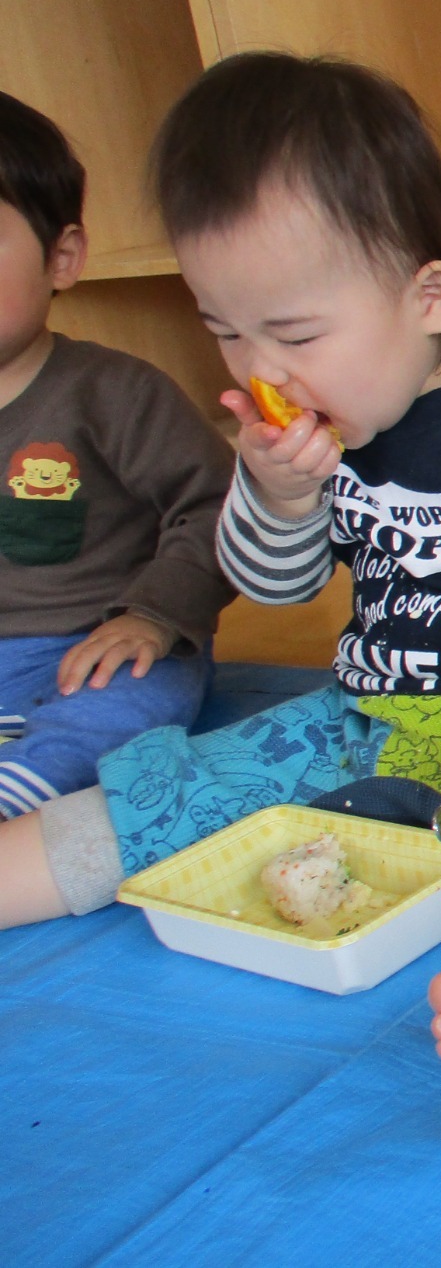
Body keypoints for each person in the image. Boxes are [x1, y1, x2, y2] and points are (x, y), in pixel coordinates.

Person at [0, 54, 441, 1101]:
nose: (260, 374)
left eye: (293, 334)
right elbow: (272, 584)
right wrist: (278, 499)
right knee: (174, 788)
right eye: (225, 330)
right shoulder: (326, 421)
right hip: (369, 715)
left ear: (427, 297)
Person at [0, 91, 234, 819]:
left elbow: (215, 505)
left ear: (61, 257)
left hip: (92, 645)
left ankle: (27, 786)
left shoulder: (112, 392)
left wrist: (153, 617)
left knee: (140, 691)